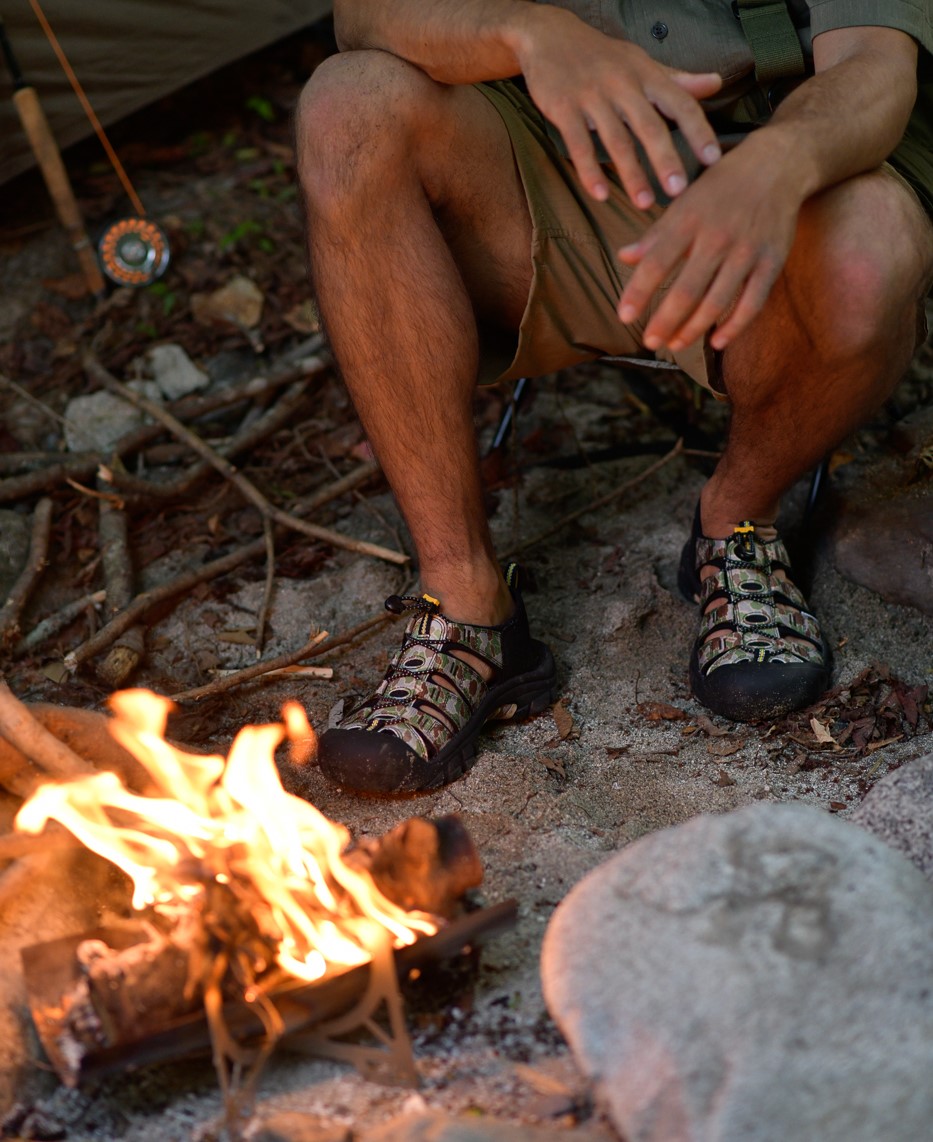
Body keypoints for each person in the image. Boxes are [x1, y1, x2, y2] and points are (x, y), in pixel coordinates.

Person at [295, 0, 933, 795]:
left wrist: (781, 160)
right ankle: (465, 605)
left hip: (774, 196)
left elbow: (872, 62)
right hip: (537, 185)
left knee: (869, 244)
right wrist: (530, 32)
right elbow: (366, 16)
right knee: (348, 105)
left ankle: (735, 525)